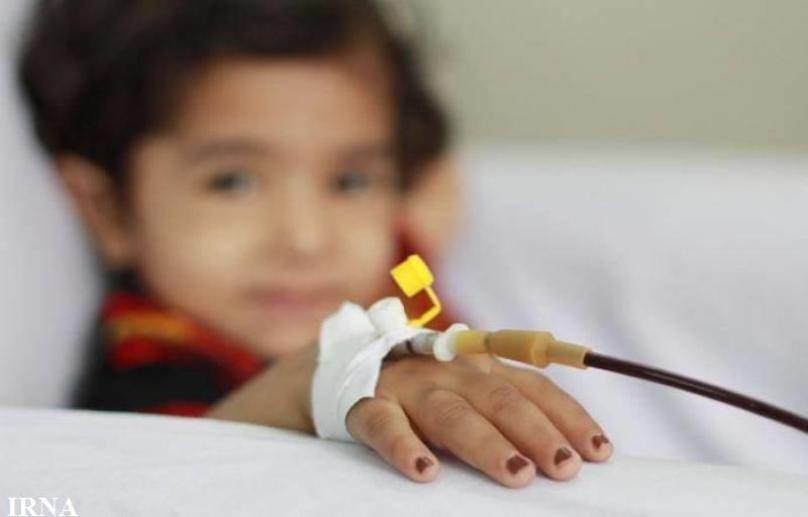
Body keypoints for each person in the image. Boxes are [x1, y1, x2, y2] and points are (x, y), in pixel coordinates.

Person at [18, 0, 612, 488]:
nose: (306, 239)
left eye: (348, 181)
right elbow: (162, 480)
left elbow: (436, 188)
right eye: (233, 182)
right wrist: (327, 388)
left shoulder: (392, 262)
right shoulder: (152, 367)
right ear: (109, 210)